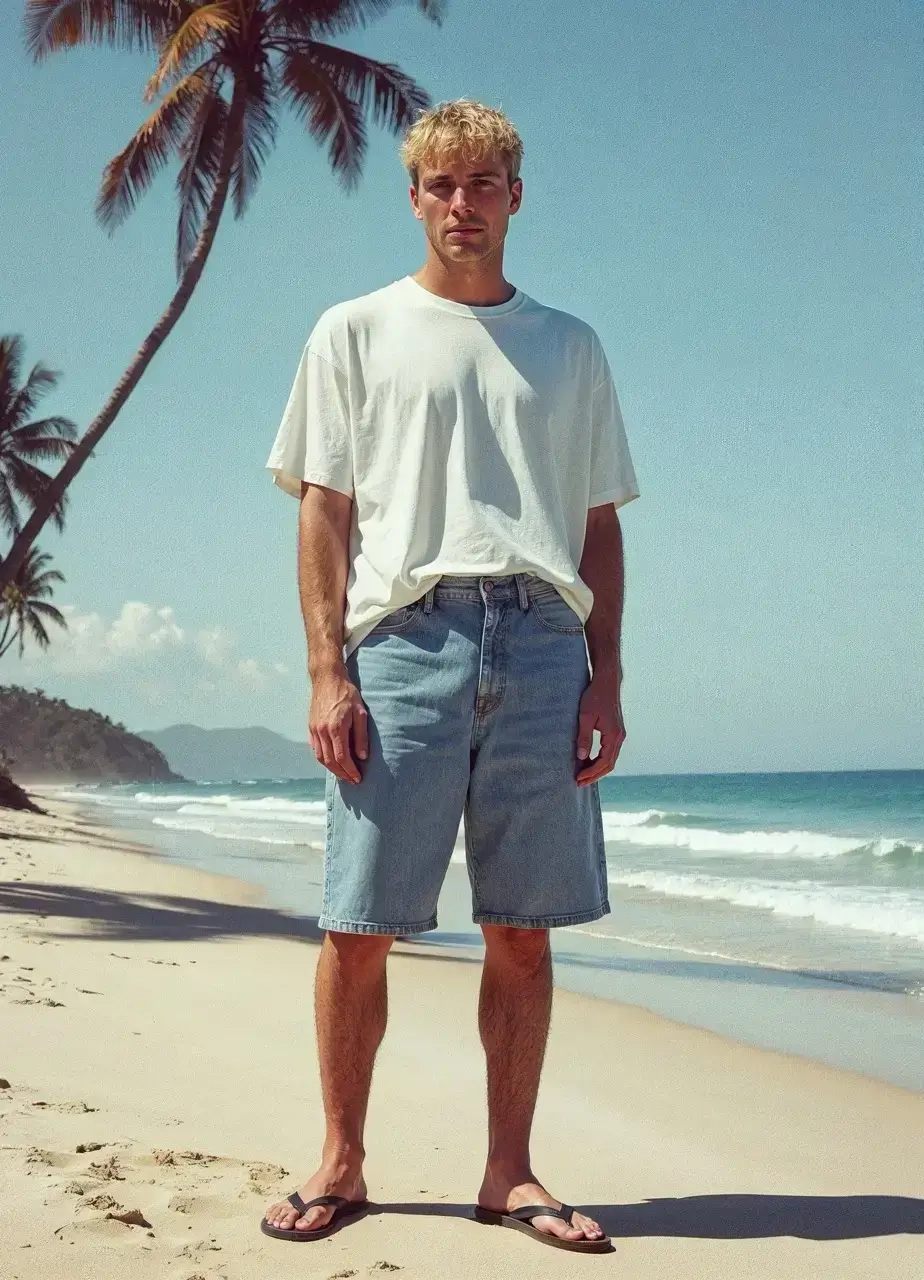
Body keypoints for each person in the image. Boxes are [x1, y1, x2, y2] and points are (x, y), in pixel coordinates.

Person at [261, 100, 639, 1254]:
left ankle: (508, 1171)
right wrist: (326, 670)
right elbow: (323, 509)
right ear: (414, 197)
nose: (462, 203)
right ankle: (341, 1158)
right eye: (441, 184)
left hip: (543, 641)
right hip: (404, 640)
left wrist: (607, 675)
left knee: (523, 928)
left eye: (483, 183)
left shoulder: (570, 345)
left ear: (515, 197)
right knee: (360, 921)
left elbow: (598, 523)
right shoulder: (355, 330)